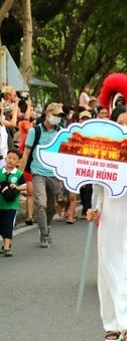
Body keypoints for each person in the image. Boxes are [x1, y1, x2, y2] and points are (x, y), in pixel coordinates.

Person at [86, 106, 127, 341]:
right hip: (109, 223)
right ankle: (112, 326)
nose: (126, 126)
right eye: (121, 122)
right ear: (112, 125)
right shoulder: (102, 156)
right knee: (108, 272)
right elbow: (98, 193)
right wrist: (94, 211)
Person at [19, 102, 65, 248]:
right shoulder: (35, 131)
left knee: (52, 207)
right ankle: (44, 235)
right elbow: (26, 152)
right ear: (47, 113)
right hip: (38, 171)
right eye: (56, 114)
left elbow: (64, 154)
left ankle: (45, 227)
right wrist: (18, 175)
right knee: (42, 203)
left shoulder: (61, 132)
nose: (58, 118)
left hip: (53, 173)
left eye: (60, 115)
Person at [0, 149, 27, 257]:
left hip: (11, 204)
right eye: (9, 157)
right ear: (5, 159)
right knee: (1, 225)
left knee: (8, 224)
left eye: (14, 159)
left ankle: (6, 247)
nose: (11, 160)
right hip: (0, 203)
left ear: (18, 162)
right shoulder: (0, 172)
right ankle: (7, 243)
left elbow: (25, 186)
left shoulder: (19, 174)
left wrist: (16, 187)